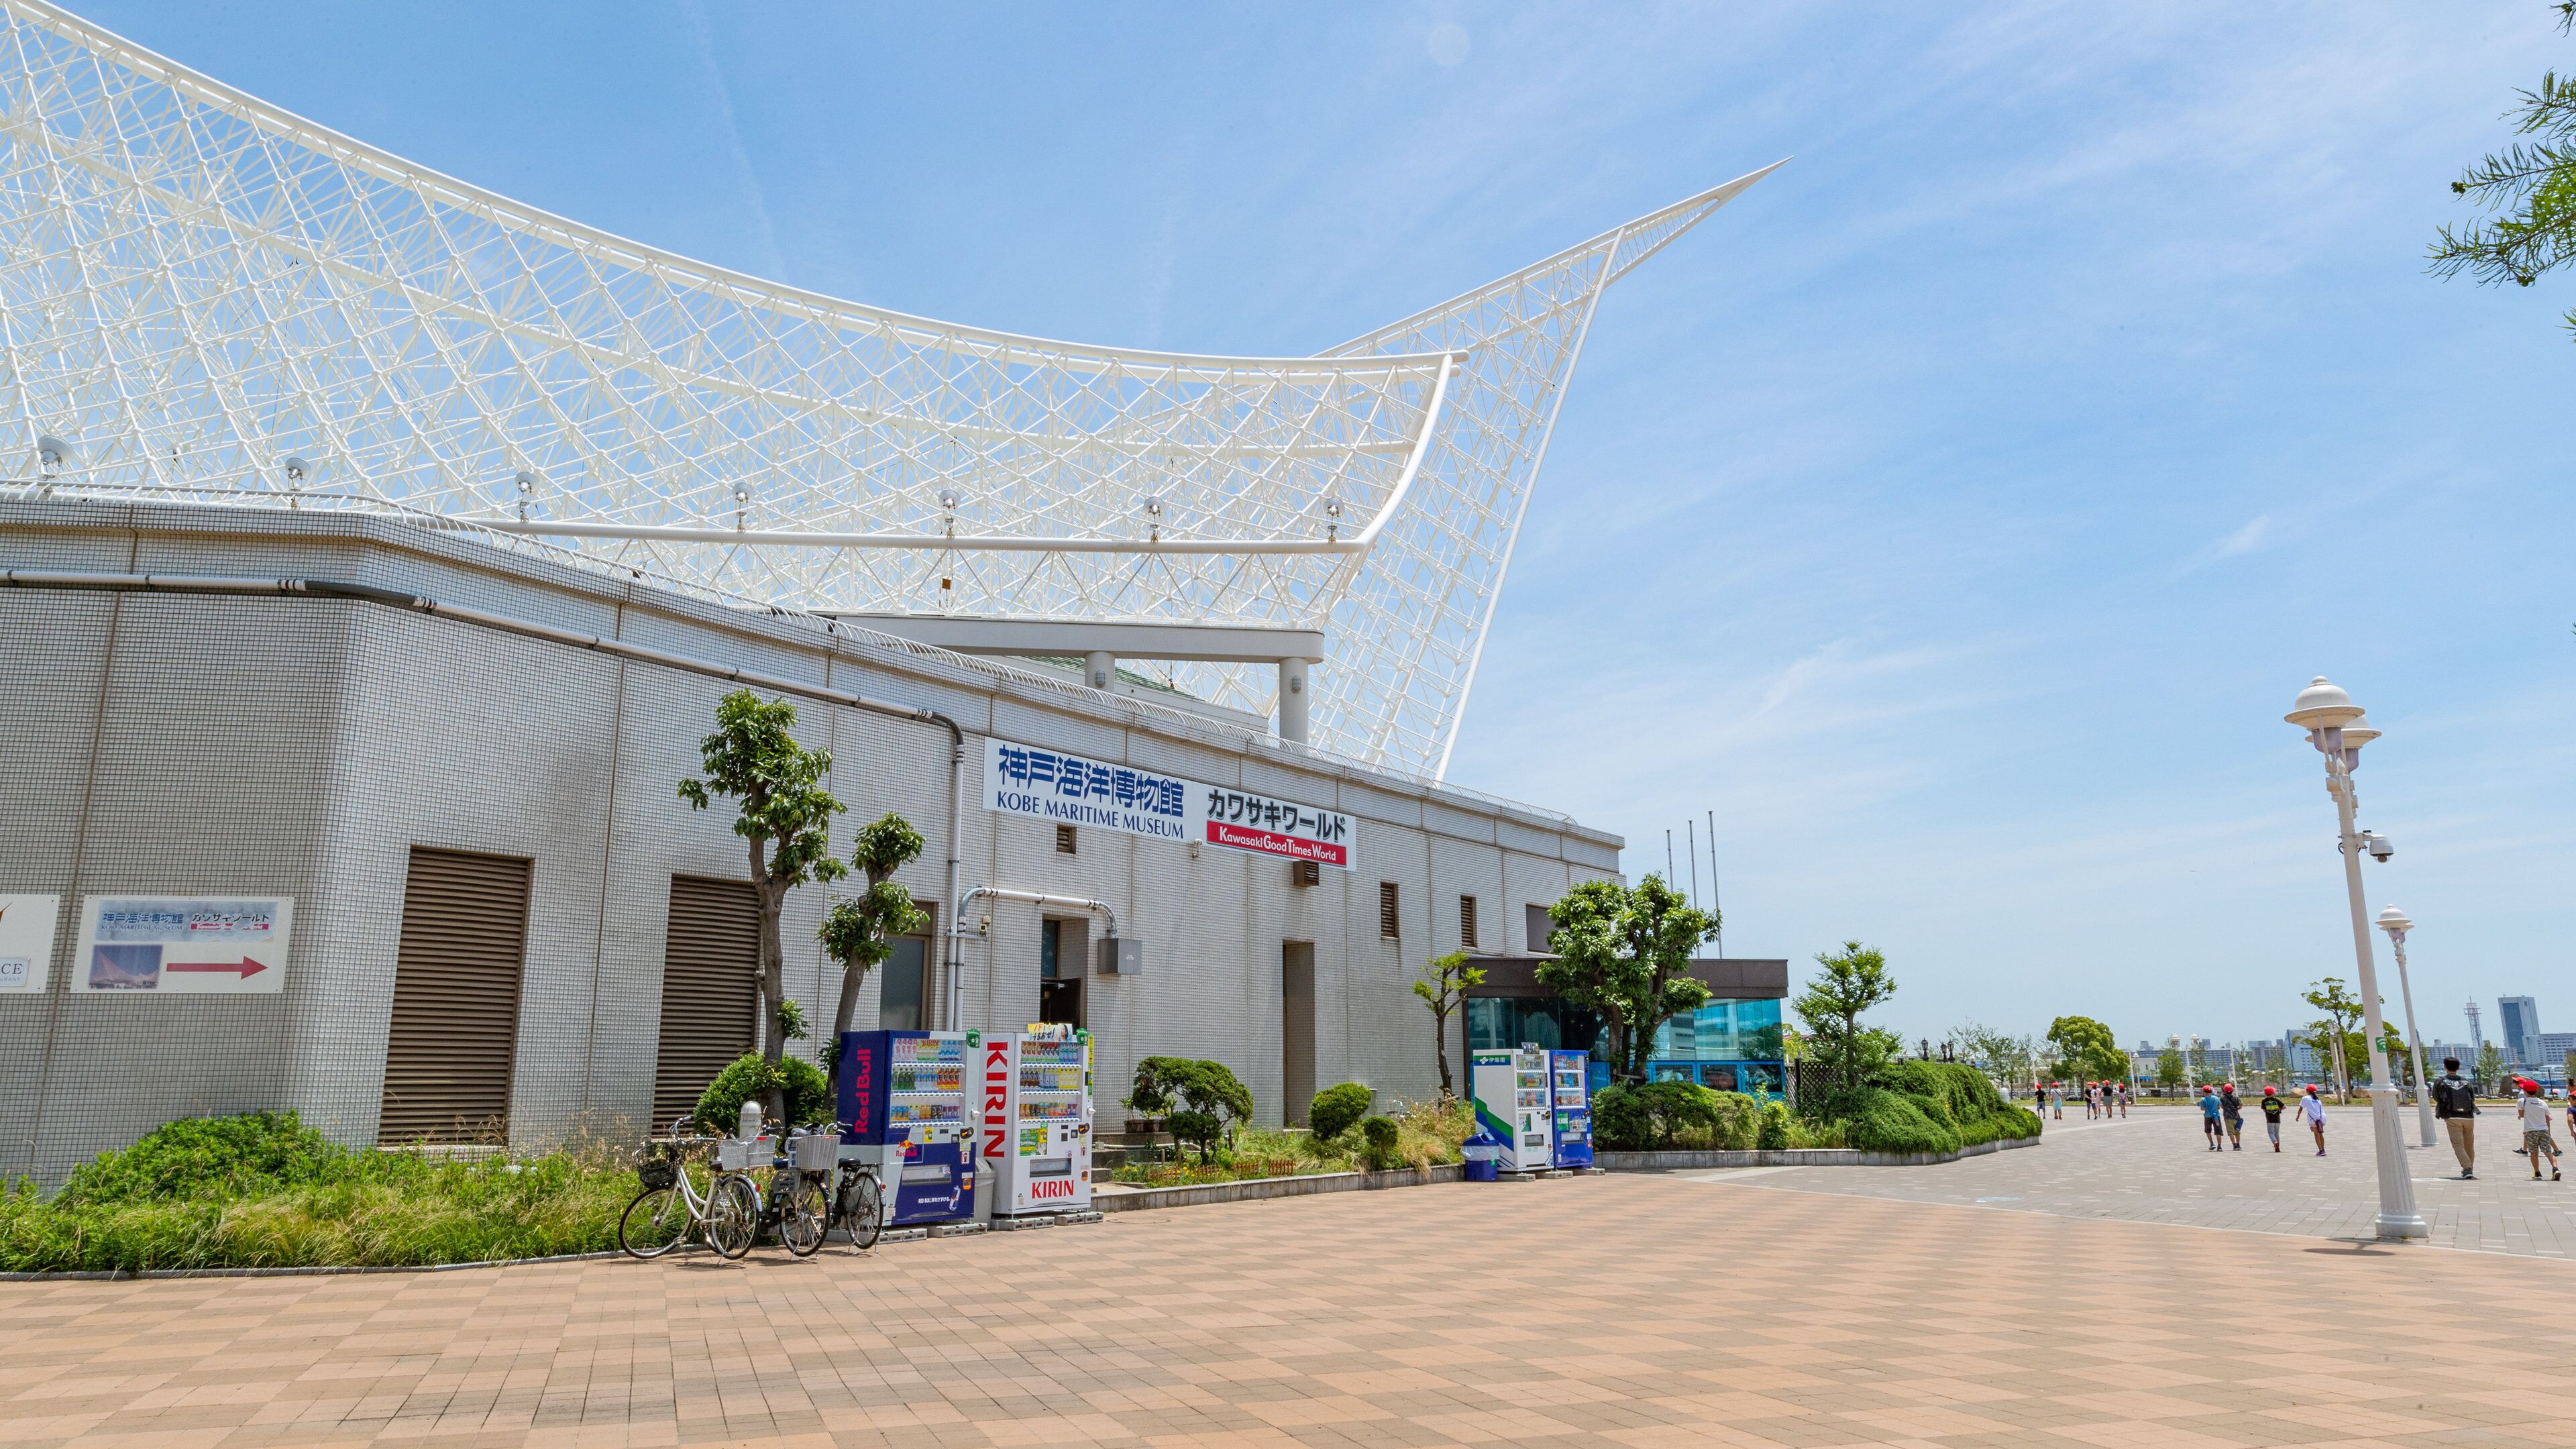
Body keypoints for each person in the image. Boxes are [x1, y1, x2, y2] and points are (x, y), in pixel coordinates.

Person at [2432, 1055, 2478, 1181]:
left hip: (2452, 1116)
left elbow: (2436, 1097)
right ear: (2458, 1067)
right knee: (2469, 1144)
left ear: (2445, 1067)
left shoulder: (2440, 1081)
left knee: (2458, 1144)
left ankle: (2467, 1168)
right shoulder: (2466, 1081)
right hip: (2469, 1116)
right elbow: (2472, 1097)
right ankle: (2469, 1168)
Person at [2521, 1083, 2561, 1181]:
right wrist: (2548, 1131)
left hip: (2530, 1131)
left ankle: (2537, 1173)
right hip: (2543, 1130)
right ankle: (2555, 1169)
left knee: (2534, 1153)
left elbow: (2521, 1114)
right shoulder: (2543, 1103)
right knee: (2548, 1151)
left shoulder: (2522, 1102)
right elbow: (2547, 1118)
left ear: (2525, 1092)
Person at [2301, 1083, 2327, 1155]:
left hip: (2313, 1119)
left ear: (2307, 1090)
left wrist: (2298, 1116)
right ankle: (2323, 1149)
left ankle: (2321, 1150)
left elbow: (2301, 1108)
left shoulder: (2306, 1098)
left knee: (2316, 1135)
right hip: (2322, 1118)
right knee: (2320, 1134)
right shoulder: (2318, 1099)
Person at [2259, 1085, 2286, 1151]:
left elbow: (2264, 1110)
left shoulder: (2264, 1101)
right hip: (2277, 1120)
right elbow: (2284, 1106)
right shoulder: (2276, 1100)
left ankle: (2275, 1142)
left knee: (2271, 1133)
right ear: (2273, 1093)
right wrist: (2279, 1110)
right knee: (2277, 1133)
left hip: (2270, 1120)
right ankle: (2278, 1146)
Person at [2219, 1083, 2245, 1150]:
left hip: (2227, 1117)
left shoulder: (2222, 1098)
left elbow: (2221, 1106)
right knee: (2237, 1132)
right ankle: (2238, 1145)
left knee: (2231, 1132)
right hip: (2236, 1116)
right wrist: (2236, 1109)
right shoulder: (2236, 1098)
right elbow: (2240, 1107)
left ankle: (2234, 1145)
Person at [2198, 1085, 2224, 1150]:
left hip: (2207, 1117)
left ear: (2204, 1092)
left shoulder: (2203, 1099)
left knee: (2208, 1131)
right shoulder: (2216, 1098)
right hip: (2216, 1117)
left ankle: (2212, 1143)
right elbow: (2219, 1107)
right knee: (2218, 1131)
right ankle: (2219, 1146)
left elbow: (2202, 1108)